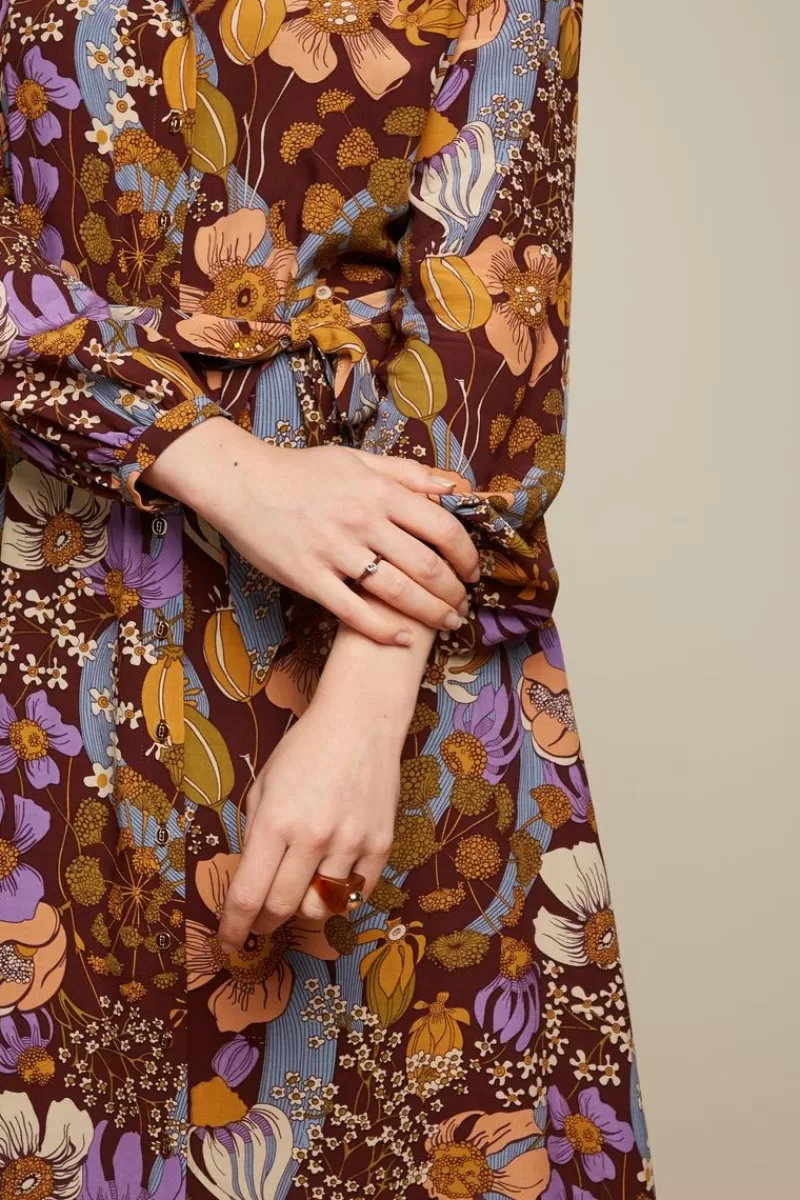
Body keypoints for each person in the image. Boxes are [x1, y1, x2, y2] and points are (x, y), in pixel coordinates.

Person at [0, 0, 657, 1196]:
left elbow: (496, 289)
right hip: (44, 601)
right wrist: (216, 463)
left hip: (388, 608)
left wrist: (366, 696)